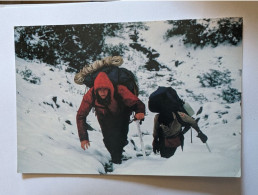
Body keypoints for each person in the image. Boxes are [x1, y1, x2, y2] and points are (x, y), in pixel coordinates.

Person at [76, 72, 145, 164]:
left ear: (109, 88)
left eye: (105, 89)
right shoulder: (91, 94)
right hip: (103, 116)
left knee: (121, 138)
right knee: (108, 140)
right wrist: (83, 138)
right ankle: (116, 158)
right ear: (96, 90)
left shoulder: (120, 90)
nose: (102, 92)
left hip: (122, 114)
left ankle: (117, 159)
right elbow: (81, 115)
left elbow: (137, 103)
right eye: (100, 90)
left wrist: (140, 112)